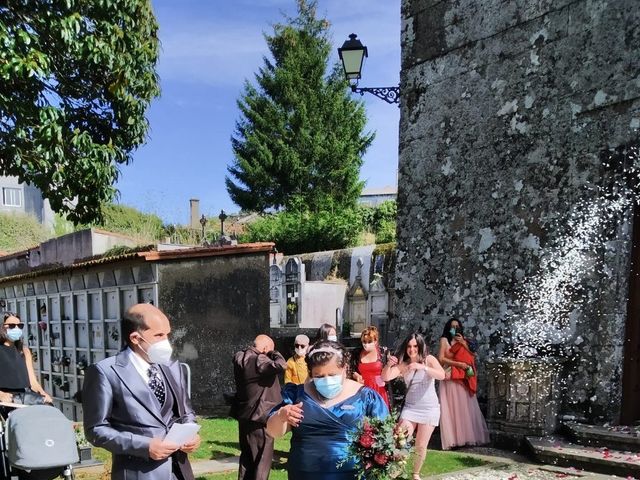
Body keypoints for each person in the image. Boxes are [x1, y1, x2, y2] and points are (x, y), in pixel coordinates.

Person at [83, 304, 200, 480]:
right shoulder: (106, 372)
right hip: (138, 473)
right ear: (135, 338)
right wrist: (143, 446)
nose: (166, 342)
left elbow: (186, 411)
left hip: (180, 471)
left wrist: (191, 434)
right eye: (159, 335)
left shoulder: (172, 366)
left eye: (167, 334)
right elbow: (96, 429)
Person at [267, 340, 388, 480]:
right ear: (311, 374)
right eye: (319, 376)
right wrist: (281, 416)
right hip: (304, 473)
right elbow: (272, 431)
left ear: (344, 368)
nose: (327, 380)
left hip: (352, 474)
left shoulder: (366, 397)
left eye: (332, 375)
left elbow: (385, 438)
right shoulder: (296, 394)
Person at [381, 333, 445, 480]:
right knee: (400, 439)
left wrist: (423, 367)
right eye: (409, 346)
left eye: (415, 346)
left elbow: (442, 375)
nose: (412, 349)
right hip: (410, 408)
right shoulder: (404, 364)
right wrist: (389, 365)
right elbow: (385, 377)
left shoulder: (429, 360)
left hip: (429, 409)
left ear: (420, 346)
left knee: (421, 445)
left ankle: (415, 474)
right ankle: (396, 471)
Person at [232, 334, 286, 480]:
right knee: (262, 461)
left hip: (244, 415)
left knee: (247, 458)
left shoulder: (239, 357)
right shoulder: (260, 360)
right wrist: (273, 353)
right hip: (261, 416)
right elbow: (281, 364)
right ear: (265, 349)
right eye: (269, 351)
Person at [437, 318, 490, 450]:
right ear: (448, 328)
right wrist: (458, 364)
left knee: (464, 407)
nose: (455, 329)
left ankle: (467, 438)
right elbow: (441, 359)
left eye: (457, 326)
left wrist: (463, 344)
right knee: (451, 407)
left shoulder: (464, 340)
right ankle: (453, 439)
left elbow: (472, 356)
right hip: (450, 376)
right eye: (452, 326)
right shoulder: (444, 340)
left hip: (463, 377)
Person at [0, 313, 52, 404]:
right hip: (5, 400)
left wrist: (43, 393)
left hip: (23, 398)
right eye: (12, 326)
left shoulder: (24, 351)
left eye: (20, 326)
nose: (16, 329)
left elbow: (32, 381)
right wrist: (1, 395)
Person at [350, 326, 390, 409]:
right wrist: (356, 376)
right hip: (362, 389)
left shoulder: (383, 352)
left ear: (375, 341)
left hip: (379, 389)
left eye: (369, 341)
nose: (366, 344)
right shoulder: (356, 352)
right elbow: (351, 370)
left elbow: (389, 371)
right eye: (364, 341)